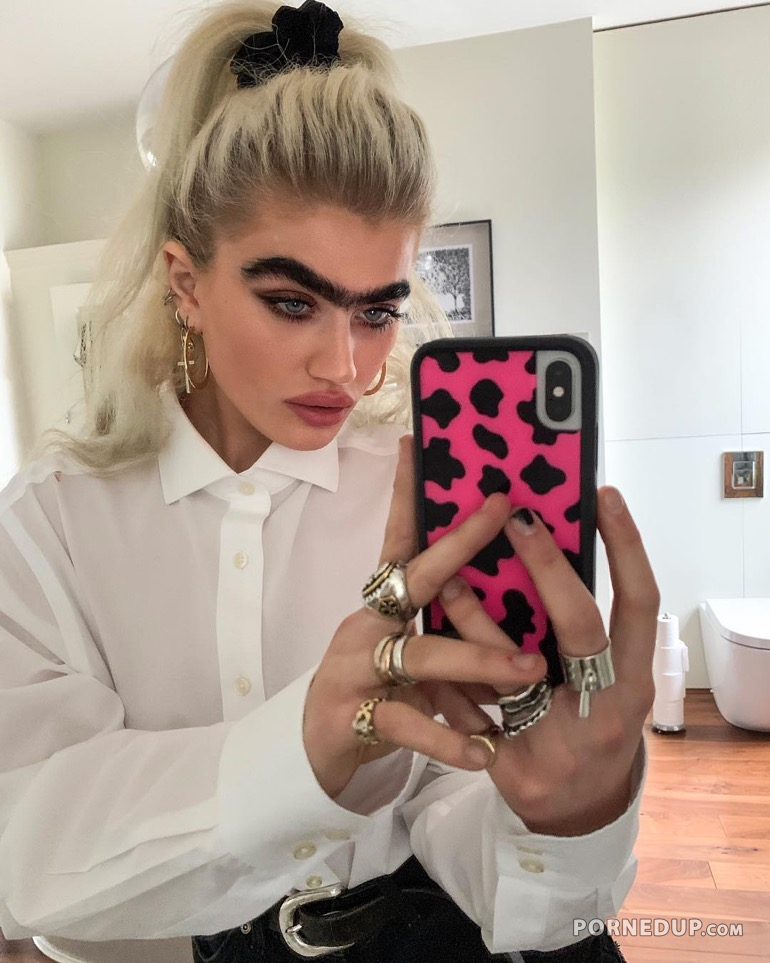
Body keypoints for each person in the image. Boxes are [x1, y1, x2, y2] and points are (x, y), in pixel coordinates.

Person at [0, 2, 659, 961]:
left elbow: (491, 853)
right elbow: (23, 849)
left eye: (377, 312)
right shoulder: (50, 524)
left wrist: (570, 817)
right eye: (291, 302)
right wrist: (299, 749)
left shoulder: (427, 500)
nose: (346, 367)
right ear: (186, 283)